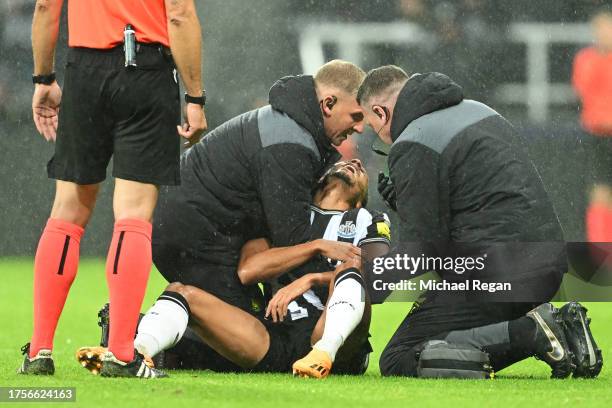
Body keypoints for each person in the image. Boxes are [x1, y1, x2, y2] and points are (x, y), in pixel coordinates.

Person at [357, 65, 602, 379]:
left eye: (372, 126)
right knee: (440, 345)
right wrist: (407, 202)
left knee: (401, 358)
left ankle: (532, 331)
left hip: (494, 272)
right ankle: (559, 333)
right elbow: (479, 204)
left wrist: (362, 283)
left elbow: (422, 251)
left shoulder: (413, 141)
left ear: (381, 112)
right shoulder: (479, 111)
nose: (380, 137)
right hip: (547, 267)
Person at [20, 0, 207, 378]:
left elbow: (44, 7)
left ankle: (39, 350)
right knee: (134, 213)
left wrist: (43, 79)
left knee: (67, 211)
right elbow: (179, 14)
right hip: (145, 69)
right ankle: (121, 352)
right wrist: (196, 98)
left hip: (83, 70)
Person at [77, 160, 391, 378]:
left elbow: (376, 274)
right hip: (277, 335)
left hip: (333, 335)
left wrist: (309, 279)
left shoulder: (367, 219)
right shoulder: (284, 213)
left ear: (361, 199)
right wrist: (315, 247)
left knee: (350, 276)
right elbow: (248, 270)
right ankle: (135, 353)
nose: (353, 164)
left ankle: (324, 353)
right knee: (181, 292)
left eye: (361, 168)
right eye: (340, 164)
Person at [150, 60, 366, 318]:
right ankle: (147, 340)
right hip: (195, 238)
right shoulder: (292, 145)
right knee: (250, 336)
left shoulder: (291, 125)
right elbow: (293, 239)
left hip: (187, 228)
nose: (360, 128)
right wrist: (340, 281)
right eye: (356, 116)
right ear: (328, 104)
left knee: (243, 324)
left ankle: (158, 329)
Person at [572, 7, 612, 243]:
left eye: (606, 26)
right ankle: (600, 247)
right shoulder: (586, 59)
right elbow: (584, 90)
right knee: (599, 190)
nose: (603, 32)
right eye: (598, 27)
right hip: (598, 135)